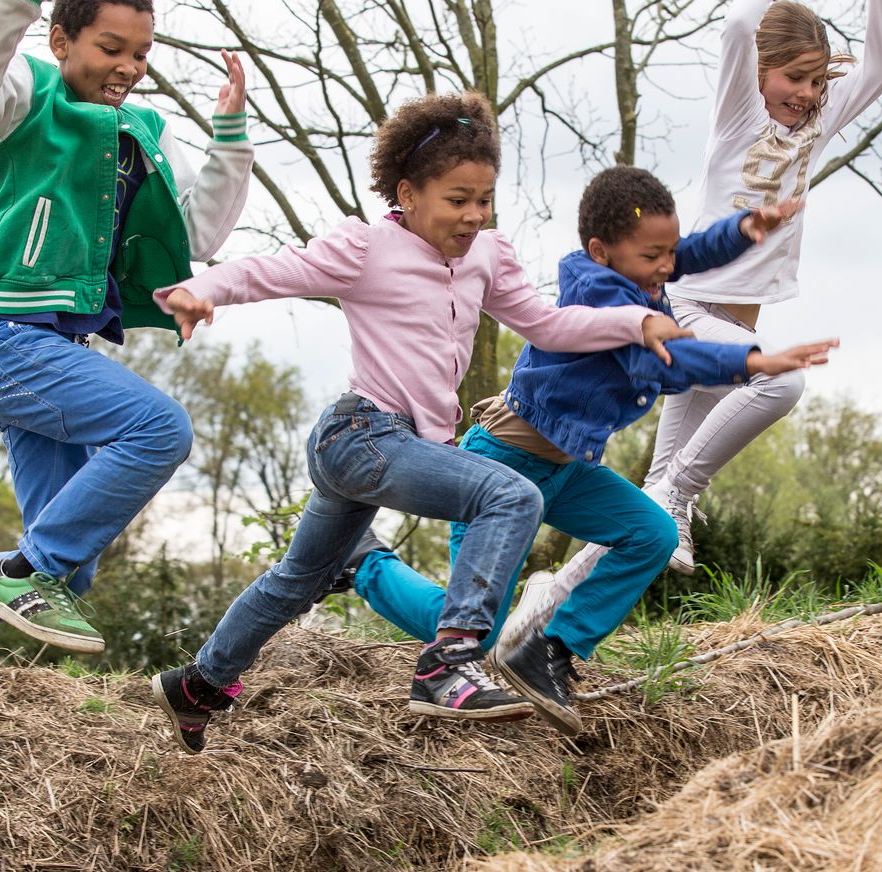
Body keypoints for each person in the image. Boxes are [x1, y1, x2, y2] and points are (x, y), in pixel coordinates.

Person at [144, 92, 691, 753]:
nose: (474, 215)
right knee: (509, 492)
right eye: (457, 199)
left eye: (483, 200)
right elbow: (274, 269)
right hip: (361, 433)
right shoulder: (368, 247)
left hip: (388, 449)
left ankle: (199, 683)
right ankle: (446, 666)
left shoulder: (485, 256)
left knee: (296, 581)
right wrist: (206, 289)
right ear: (408, 192)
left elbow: (547, 324)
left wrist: (633, 321)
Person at [343, 166, 836, 734]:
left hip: (569, 470)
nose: (668, 269)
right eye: (654, 257)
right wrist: (750, 361)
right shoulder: (600, 297)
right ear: (602, 252)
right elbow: (660, 366)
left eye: (669, 254)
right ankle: (363, 562)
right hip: (503, 467)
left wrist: (744, 228)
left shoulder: (642, 272)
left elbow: (689, 251)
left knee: (653, 533)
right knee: (470, 625)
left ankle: (548, 649)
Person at [0, 0, 253, 703]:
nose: (128, 68)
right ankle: (25, 574)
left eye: (141, 53)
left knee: (69, 570)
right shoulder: (26, 98)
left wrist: (228, 138)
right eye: (110, 48)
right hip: (7, 342)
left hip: (58, 354)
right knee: (159, 427)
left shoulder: (144, 130)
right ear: (60, 40)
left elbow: (194, 235)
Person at [556, 0, 882, 587]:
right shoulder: (740, 114)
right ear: (760, 70)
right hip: (688, 307)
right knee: (780, 381)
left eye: (818, 81)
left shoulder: (816, 124)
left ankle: (542, 615)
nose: (806, 93)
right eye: (793, 77)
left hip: (733, 319)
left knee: (651, 501)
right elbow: (741, 23)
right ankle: (682, 494)